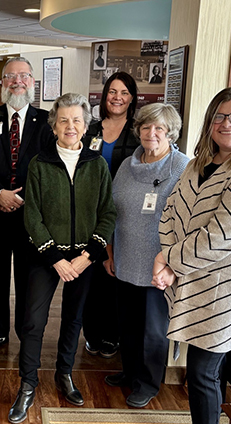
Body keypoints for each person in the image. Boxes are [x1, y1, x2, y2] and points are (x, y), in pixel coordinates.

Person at [152, 86, 231, 424]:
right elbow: (170, 212)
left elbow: (220, 237)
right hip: (190, 277)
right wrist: (167, 256)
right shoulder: (199, 163)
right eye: (219, 117)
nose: (227, 123)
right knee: (202, 372)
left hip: (229, 288)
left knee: (202, 373)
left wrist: (170, 263)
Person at [8, 93, 116, 424]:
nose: (71, 126)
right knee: (33, 321)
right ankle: (28, 383)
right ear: (54, 126)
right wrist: (55, 257)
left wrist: (88, 256)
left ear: (86, 127)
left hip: (84, 256)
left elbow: (107, 212)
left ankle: (64, 374)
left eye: (77, 121)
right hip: (45, 257)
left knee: (73, 319)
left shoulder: (97, 164)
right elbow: (33, 215)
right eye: (64, 120)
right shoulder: (39, 164)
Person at [103, 103, 189, 408]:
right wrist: (109, 251)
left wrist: (172, 263)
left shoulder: (181, 167)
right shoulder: (128, 164)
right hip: (125, 256)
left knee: (153, 329)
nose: (151, 134)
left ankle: (148, 382)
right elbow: (111, 210)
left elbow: (187, 219)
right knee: (127, 323)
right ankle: (129, 371)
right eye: (146, 127)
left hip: (158, 263)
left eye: (159, 129)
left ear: (170, 133)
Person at [0, 57, 55, 355]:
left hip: (30, 214)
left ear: (33, 82)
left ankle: (25, 332)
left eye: (24, 76)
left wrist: (22, 197)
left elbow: (49, 167)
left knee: (28, 276)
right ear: (1, 82)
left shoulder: (48, 120)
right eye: (10, 77)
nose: (17, 81)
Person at [82, 71, 140, 359]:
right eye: (112, 92)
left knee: (115, 273)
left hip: (124, 214)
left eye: (124, 93)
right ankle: (92, 334)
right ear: (105, 96)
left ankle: (112, 334)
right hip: (90, 212)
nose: (117, 97)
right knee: (90, 276)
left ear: (132, 98)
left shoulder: (138, 131)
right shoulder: (90, 129)